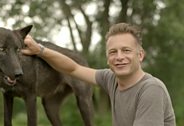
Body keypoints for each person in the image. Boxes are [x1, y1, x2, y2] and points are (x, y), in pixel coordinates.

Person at [21, 23, 176, 126]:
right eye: (113, 52)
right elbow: (73, 69)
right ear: (108, 58)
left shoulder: (151, 90)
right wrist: (39, 50)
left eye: (126, 50)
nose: (119, 57)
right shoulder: (111, 79)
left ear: (140, 55)